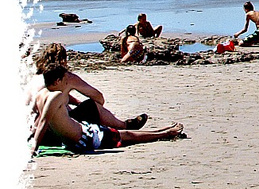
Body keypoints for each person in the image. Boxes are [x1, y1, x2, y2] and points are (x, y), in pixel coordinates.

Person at [30, 58, 182, 155]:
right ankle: (166, 133)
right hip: (85, 138)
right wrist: (33, 149)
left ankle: (164, 130)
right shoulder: (55, 96)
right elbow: (44, 122)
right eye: (64, 79)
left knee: (125, 134)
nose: (66, 82)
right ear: (57, 81)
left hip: (84, 130)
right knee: (127, 136)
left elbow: (41, 122)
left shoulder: (40, 95)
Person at [26, 44, 147, 134]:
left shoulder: (36, 78)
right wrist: (87, 107)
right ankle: (124, 125)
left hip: (29, 130)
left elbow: (52, 97)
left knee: (66, 108)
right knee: (92, 105)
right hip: (48, 131)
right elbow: (98, 97)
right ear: (63, 60)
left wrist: (76, 102)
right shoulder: (65, 77)